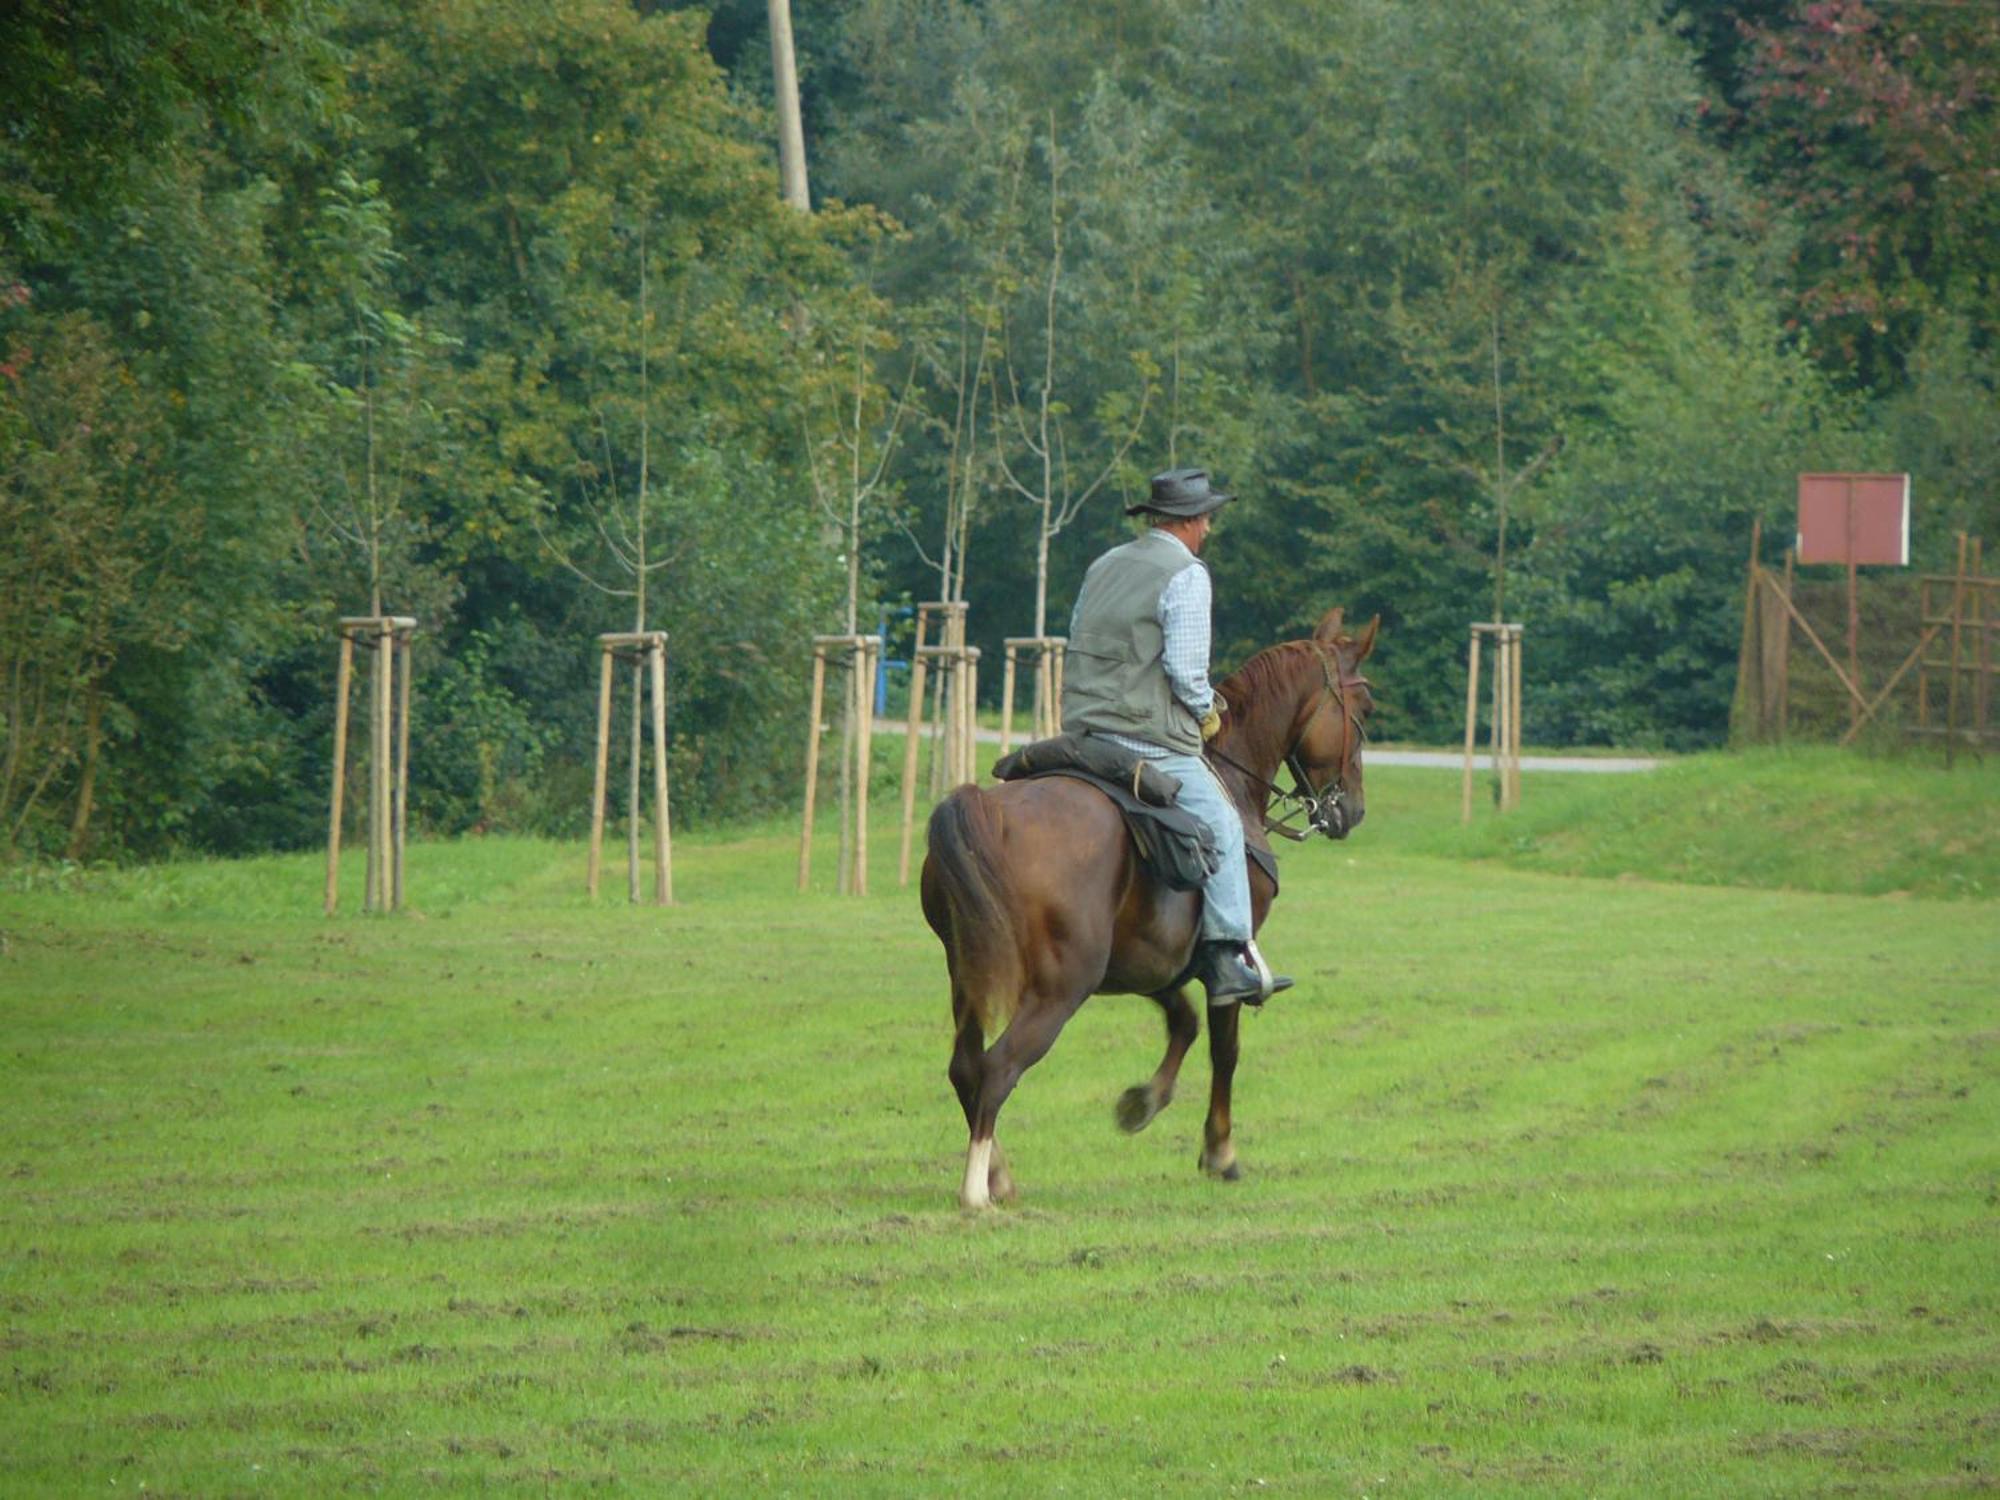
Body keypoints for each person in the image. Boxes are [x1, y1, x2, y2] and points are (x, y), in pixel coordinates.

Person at [1061, 467, 1292, 1006]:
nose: (1208, 528)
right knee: (1227, 824)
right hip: (1144, 738)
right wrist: (1209, 712)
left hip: (1082, 731)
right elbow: (1187, 674)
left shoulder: (1104, 564)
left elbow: (1079, 637)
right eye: (1207, 518)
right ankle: (1228, 956)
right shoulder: (1186, 573)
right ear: (1190, 522)